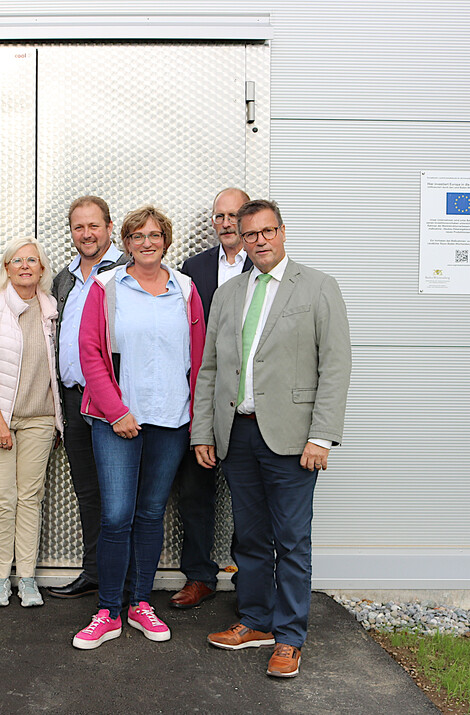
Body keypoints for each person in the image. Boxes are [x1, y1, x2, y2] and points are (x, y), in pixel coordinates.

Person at [193, 199, 351, 679]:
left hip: (293, 438)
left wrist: (321, 436)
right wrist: (204, 430)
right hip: (237, 434)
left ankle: (289, 636)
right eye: (250, 233)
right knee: (252, 538)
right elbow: (211, 368)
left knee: (292, 540)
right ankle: (256, 620)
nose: (259, 240)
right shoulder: (230, 293)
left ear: (283, 232)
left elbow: (336, 366)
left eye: (268, 231)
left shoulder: (319, 287)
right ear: (239, 239)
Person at [72, 205, 206, 650]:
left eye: (155, 234)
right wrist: (116, 412)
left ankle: (140, 604)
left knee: (150, 515)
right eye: (137, 236)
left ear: (166, 240)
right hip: (117, 422)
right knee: (116, 516)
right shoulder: (106, 286)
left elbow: (200, 360)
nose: (147, 242)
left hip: (170, 419)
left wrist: (197, 420)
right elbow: (90, 352)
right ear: (125, 242)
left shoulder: (186, 290)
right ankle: (108, 610)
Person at [170, 187, 253, 609]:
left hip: (248, 401)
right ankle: (199, 576)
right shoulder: (193, 268)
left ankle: (248, 580)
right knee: (195, 492)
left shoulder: (263, 265)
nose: (225, 222)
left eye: (233, 215)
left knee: (248, 497)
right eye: (218, 215)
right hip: (203, 393)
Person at [0, 237, 62, 608]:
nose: (26, 266)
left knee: (30, 498)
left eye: (33, 260)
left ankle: (26, 579)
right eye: (17, 260)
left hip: (40, 418)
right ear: (6, 268)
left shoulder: (51, 308)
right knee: (2, 499)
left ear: (42, 269)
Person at [46, 196, 127, 600]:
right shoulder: (64, 278)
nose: (86, 234)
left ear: (109, 227)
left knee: (120, 496)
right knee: (89, 493)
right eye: (79, 227)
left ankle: (125, 581)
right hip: (75, 401)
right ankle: (94, 572)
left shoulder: (127, 271)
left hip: (111, 401)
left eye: (94, 226)